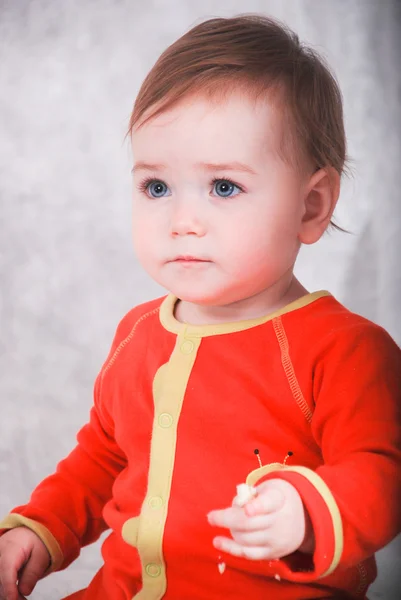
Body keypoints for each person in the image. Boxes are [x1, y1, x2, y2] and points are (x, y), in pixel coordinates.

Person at [0, 14, 400, 600]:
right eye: (156, 187)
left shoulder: (344, 348)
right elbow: (103, 458)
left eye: (223, 187)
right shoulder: (138, 331)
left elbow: (384, 470)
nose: (182, 222)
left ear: (310, 207)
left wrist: (308, 509)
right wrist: (38, 529)